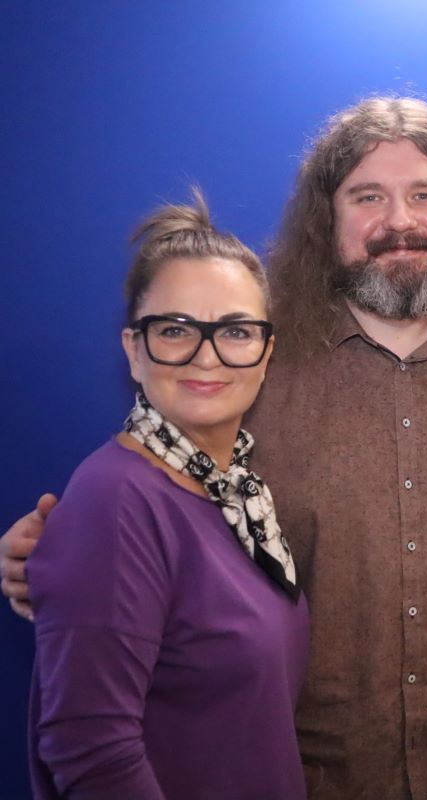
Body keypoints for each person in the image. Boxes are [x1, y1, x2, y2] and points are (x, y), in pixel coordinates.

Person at [1, 97, 427, 800]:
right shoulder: (249, 365)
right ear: (328, 220)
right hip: (301, 778)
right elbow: (148, 514)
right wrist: (50, 556)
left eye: (425, 195)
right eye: (368, 197)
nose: (399, 221)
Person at [25, 192, 309, 799]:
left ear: (266, 354)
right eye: (175, 330)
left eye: (236, 331)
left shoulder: (241, 497)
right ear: (133, 349)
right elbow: (91, 751)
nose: (207, 356)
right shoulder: (115, 501)